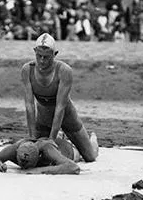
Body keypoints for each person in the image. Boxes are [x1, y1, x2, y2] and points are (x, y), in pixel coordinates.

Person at [21, 33, 98, 162]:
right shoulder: (27, 69)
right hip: (44, 116)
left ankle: (92, 143)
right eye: (39, 56)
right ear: (34, 51)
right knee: (41, 156)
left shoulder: (64, 70)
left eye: (46, 57)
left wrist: (52, 138)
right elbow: (29, 106)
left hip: (67, 115)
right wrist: (31, 137)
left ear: (55, 54)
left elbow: (60, 107)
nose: (42, 61)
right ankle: (65, 143)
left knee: (90, 158)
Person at [0, 137, 81, 175]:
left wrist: (40, 170)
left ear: (38, 156)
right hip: (42, 139)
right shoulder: (15, 149)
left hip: (67, 149)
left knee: (88, 155)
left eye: (28, 163)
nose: (24, 166)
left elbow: (74, 167)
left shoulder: (47, 150)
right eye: (22, 161)